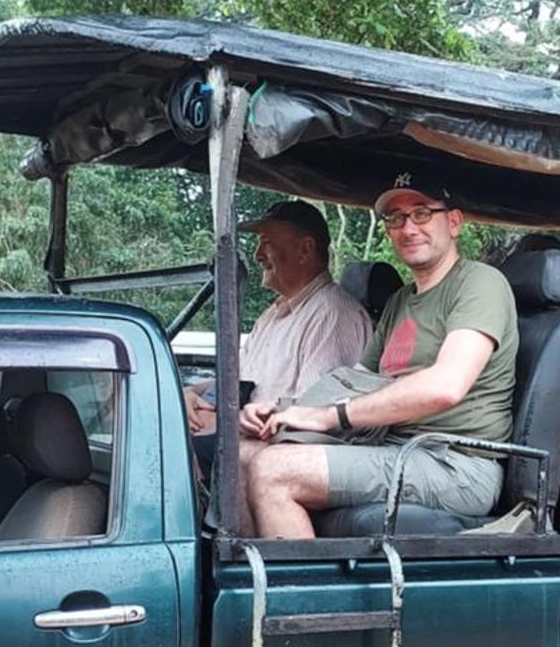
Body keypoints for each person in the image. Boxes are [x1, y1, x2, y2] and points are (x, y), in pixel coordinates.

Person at [244, 174, 519, 538]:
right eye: (395, 219)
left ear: (453, 222)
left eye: (421, 214)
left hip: (455, 464)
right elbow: (355, 381)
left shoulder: (480, 283)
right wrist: (281, 413)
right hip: (391, 446)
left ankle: (306, 596)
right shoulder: (400, 302)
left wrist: (329, 417)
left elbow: (446, 386)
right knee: (244, 453)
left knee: (273, 471)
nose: (408, 228)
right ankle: (246, 583)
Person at [184, 199, 369, 444]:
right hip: (247, 440)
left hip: (278, 451)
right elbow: (243, 380)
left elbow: (312, 416)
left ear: (305, 250)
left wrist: (227, 424)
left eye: (267, 242)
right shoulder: (272, 315)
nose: (257, 254)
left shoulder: (332, 314)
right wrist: (190, 393)